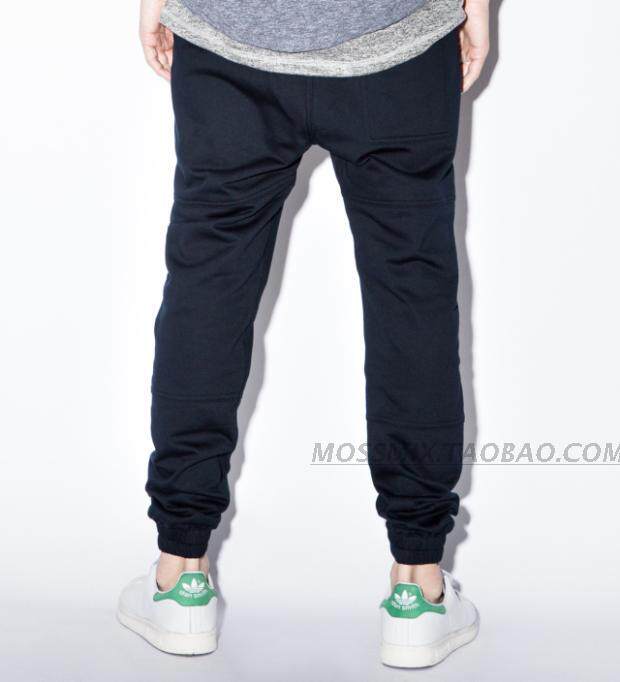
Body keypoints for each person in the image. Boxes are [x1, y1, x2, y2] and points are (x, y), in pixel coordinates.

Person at [117, 0, 490, 668]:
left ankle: (180, 574)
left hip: (230, 37)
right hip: (399, 45)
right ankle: (419, 585)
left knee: (209, 286)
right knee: (411, 294)